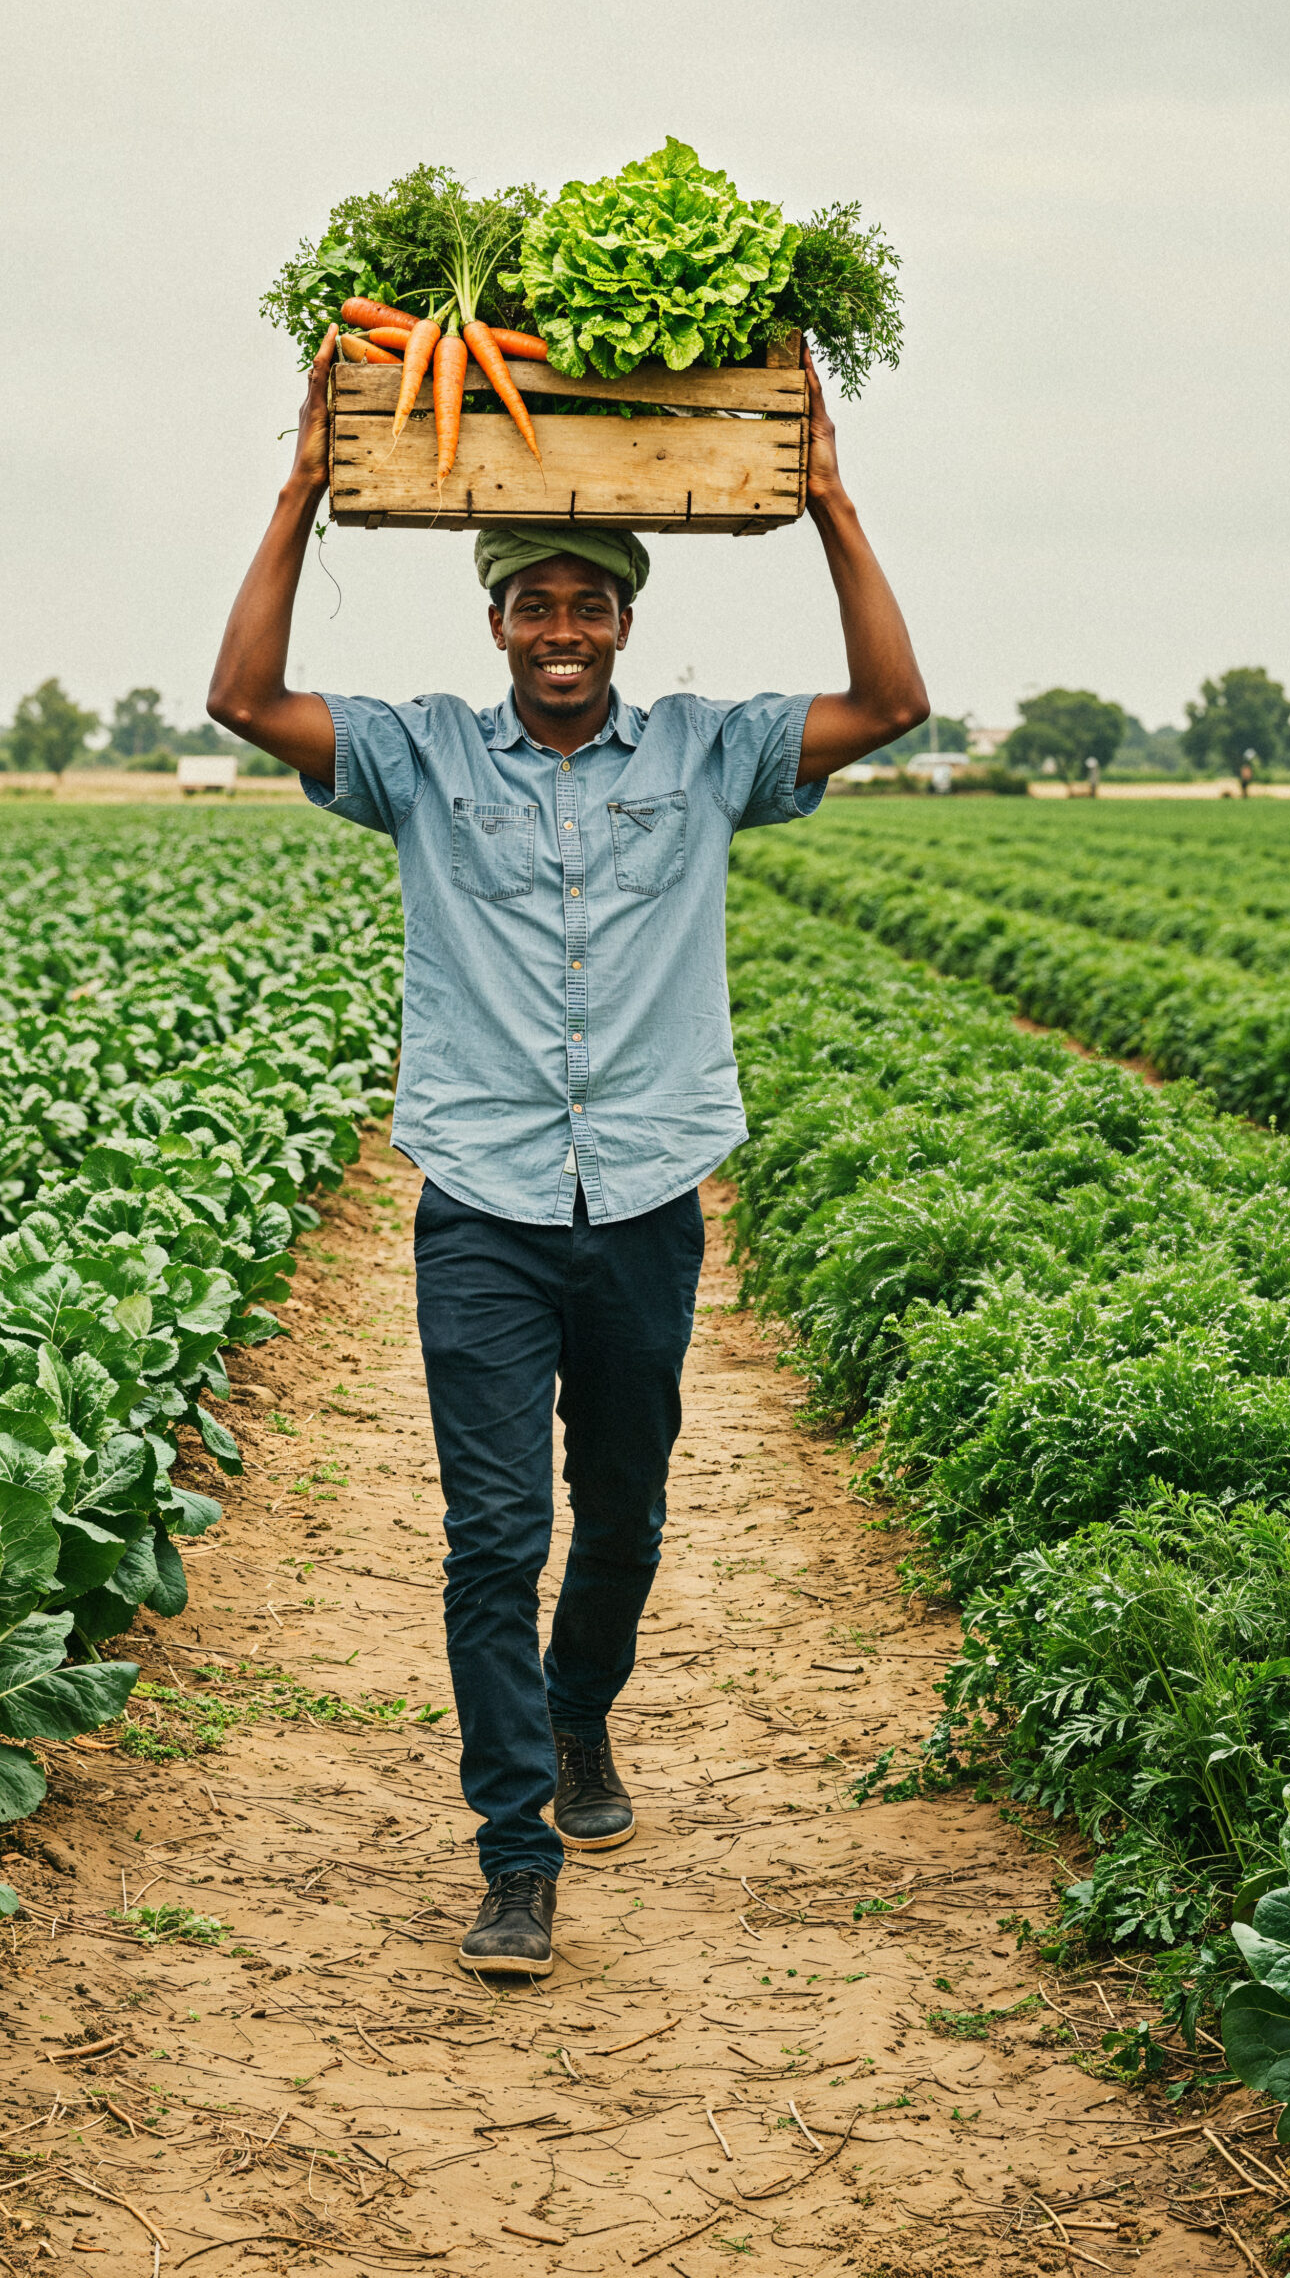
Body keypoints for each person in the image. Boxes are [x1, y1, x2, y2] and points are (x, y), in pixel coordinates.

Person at [208, 329, 927, 1978]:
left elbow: (892, 703)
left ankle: (583, 1710)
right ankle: (513, 1852)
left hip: (648, 1198)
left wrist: (828, 498)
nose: (560, 630)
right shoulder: (420, 757)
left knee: (625, 1513)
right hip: (482, 1204)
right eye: (532, 603)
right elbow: (242, 699)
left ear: (623, 621)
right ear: (496, 623)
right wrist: (304, 486)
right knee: (490, 1535)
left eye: (586, 602)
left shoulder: (705, 752)